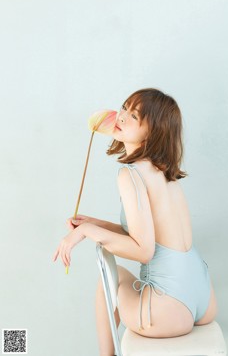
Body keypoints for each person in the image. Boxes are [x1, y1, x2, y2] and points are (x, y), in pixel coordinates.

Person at [53, 87, 217, 356]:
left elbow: (144, 250)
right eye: (124, 108)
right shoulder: (166, 173)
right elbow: (146, 234)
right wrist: (93, 223)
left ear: (152, 132)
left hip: (169, 309)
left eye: (134, 115)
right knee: (116, 273)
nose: (121, 116)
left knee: (110, 279)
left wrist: (86, 231)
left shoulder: (130, 175)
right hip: (203, 295)